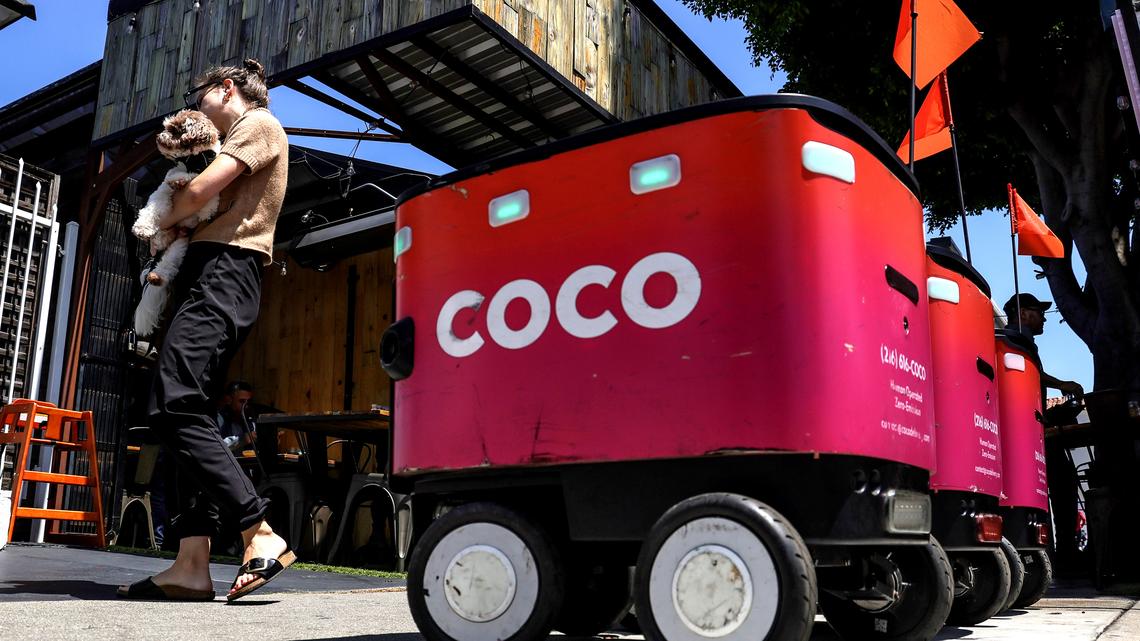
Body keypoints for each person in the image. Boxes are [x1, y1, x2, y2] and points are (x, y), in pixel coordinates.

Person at [117, 59, 292, 602]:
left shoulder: (258, 124)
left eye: (198, 98)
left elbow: (195, 196)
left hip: (226, 269)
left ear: (226, 88)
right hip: (208, 272)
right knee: (182, 414)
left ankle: (258, 530)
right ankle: (192, 564)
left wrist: (165, 218)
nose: (195, 109)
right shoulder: (238, 132)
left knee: (172, 401)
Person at [1002, 293, 1084, 396]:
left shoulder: (1016, 340)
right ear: (1022, 313)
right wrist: (1062, 384)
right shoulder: (1015, 340)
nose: (1044, 319)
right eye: (1040, 312)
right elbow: (1030, 371)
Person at [217, 380, 256, 454]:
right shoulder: (218, 419)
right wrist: (242, 440)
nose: (246, 406)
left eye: (248, 402)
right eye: (242, 401)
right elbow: (215, 446)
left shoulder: (250, 419)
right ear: (229, 400)